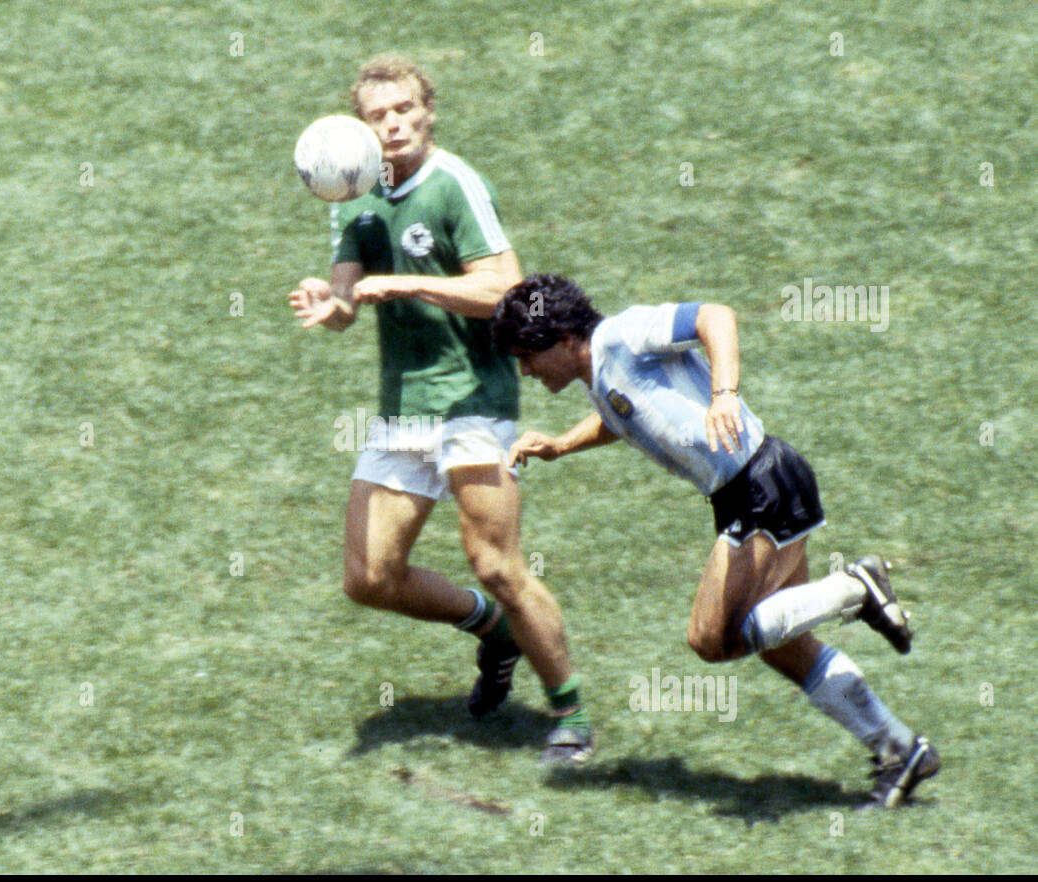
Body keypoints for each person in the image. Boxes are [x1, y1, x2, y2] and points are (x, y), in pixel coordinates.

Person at [491, 273, 940, 807]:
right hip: (751, 489)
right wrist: (561, 446)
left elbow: (715, 316)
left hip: (759, 486)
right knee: (784, 649)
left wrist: (724, 394)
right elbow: (621, 415)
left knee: (710, 637)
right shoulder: (601, 373)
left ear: (564, 340)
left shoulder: (620, 336)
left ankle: (855, 587)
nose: (524, 370)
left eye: (527, 356)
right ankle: (900, 749)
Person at [287, 55, 593, 764]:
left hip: (473, 398)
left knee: (495, 561)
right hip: (404, 406)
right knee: (368, 577)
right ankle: (493, 630)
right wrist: (326, 303)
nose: (392, 124)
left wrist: (401, 285)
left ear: (428, 112)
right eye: (377, 115)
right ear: (360, 126)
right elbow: (346, 304)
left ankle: (569, 711)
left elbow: (506, 289)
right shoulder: (354, 197)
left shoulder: (455, 184)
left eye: (403, 110)